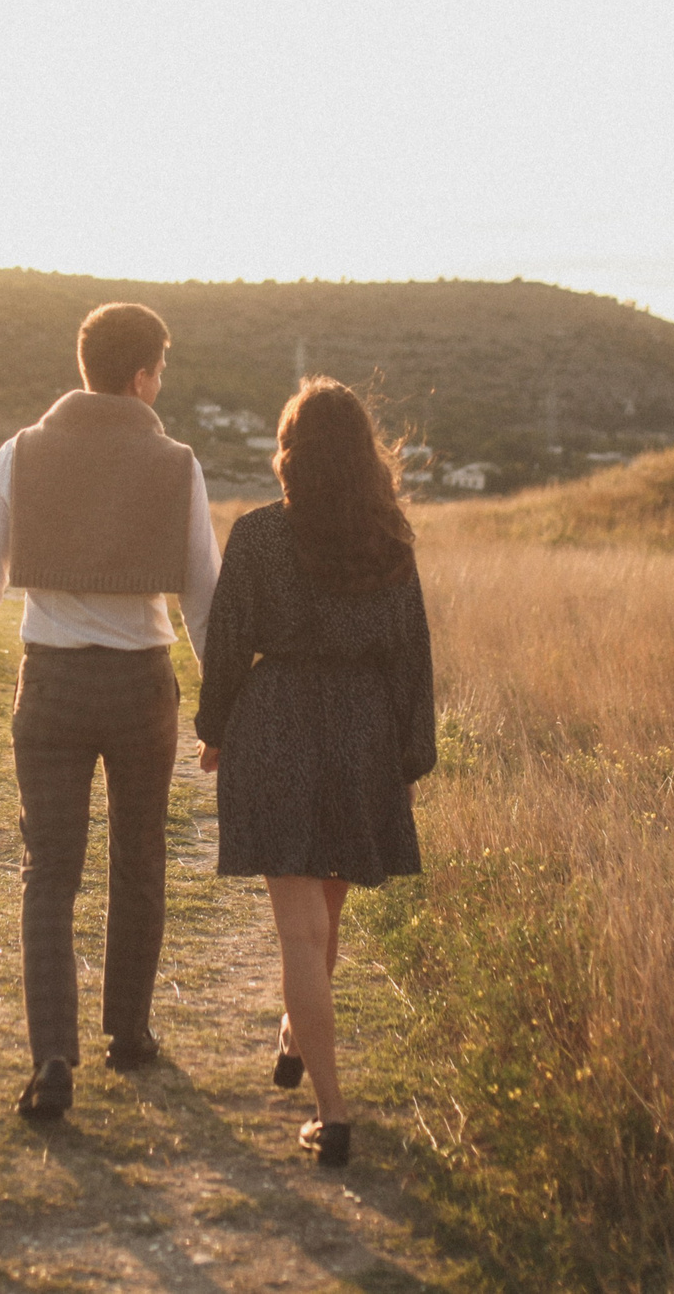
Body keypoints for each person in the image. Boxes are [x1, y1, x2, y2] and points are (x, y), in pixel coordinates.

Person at [0, 302, 221, 1121]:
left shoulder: (21, 452)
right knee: (139, 861)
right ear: (142, 377)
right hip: (142, 686)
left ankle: (51, 1061)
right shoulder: (177, 462)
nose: (161, 387)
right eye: (162, 374)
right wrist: (225, 705)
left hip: (54, 683)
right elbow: (204, 595)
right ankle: (129, 1035)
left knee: (49, 874)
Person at [192, 376, 435, 1168]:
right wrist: (406, 760)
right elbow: (411, 662)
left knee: (302, 931)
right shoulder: (388, 543)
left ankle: (330, 1111)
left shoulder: (259, 535)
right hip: (361, 734)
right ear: (366, 457)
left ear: (290, 453)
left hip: (278, 725)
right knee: (322, 924)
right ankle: (305, 1049)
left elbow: (227, 642)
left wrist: (215, 729)